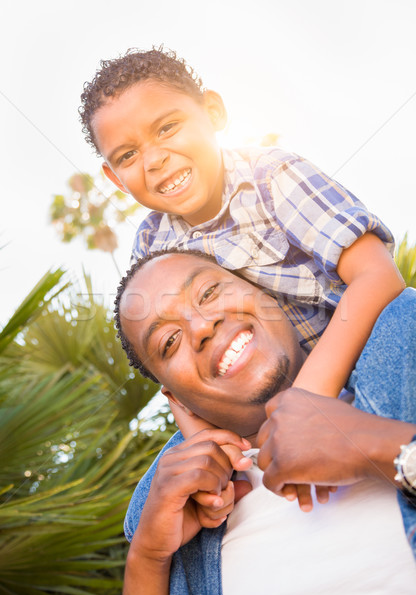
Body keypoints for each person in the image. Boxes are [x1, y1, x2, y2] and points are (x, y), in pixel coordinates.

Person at [79, 47, 405, 412]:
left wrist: (308, 398)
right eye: (127, 156)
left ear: (213, 113)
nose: (154, 161)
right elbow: (168, 367)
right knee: (177, 462)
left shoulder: (271, 177)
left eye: (167, 128)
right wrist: (206, 441)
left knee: (406, 316)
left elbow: (378, 276)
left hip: (360, 358)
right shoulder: (151, 243)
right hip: (261, 400)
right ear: (115, 178)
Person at [114, 249, 416, 595]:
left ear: (268, 294)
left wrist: (377, 446)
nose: (201, 326)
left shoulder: (407, 342)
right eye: (169, 341)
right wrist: (148, 558)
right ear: (178, 402)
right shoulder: (186, 526)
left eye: (209, 292)